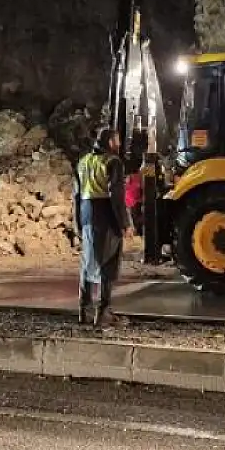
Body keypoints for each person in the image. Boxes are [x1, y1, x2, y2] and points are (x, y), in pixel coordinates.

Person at [73, 127, 129, 326]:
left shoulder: (83, 161)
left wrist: (77, 222)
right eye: (118, 141)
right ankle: (102, 313)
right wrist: (123, 222)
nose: (120, 145)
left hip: (86, 214)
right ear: (111, 143)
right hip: (106, 215)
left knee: (88, 262)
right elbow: (116, 196)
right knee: (108, 263)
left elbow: (76, 195)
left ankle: (84, 310)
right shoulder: (113, 162)